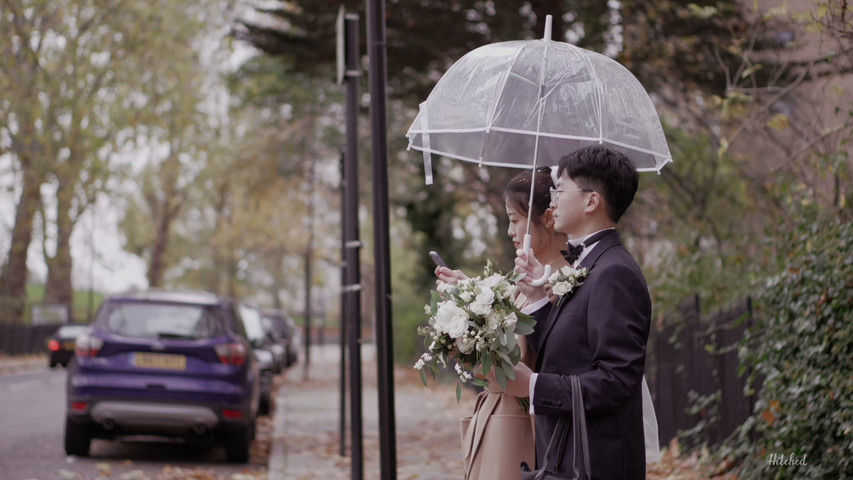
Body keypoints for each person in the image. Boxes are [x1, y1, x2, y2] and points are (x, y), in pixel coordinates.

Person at [507, 145, 653, 478]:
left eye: (561, 190)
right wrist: (538, 300)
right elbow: (572, 351)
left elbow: (617, 382)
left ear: (591, 201)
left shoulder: (615, 273)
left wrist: (533, 385)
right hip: (566, 456)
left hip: (594, 462)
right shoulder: (591, 263)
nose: (553, 200)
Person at [435, 168, 569, 480]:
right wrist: (468, 294)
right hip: (496, 419)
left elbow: (524, 359)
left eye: (515, 218)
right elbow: (504, 313)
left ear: (548, 218)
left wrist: (472, 333)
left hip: (519, 426)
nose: (510, 230)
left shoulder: (560, 281)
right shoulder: (525, 277)